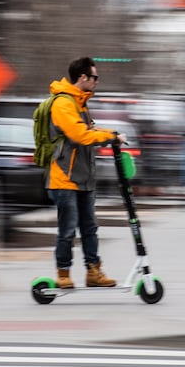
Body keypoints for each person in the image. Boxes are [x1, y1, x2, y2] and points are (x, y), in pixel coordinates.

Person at [45, 56, 126, 289]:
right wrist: (109, 137)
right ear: (83, 77)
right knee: (68, 229)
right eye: (95, 77)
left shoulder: (80, 103)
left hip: (84, 177)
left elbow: (89, 130)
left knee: (90, 228)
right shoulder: (63, 103)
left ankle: (94, 272)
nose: (97, 82)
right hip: (65, 178)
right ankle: (63, 273)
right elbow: (79, 135)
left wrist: (112, 132)